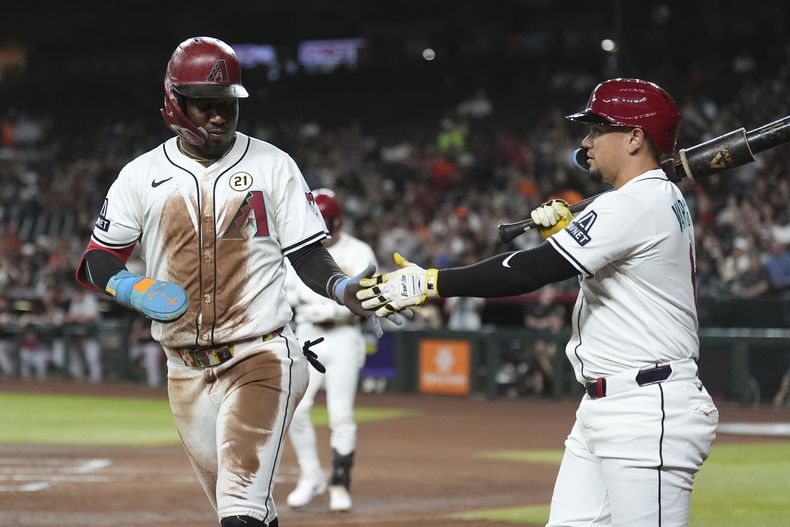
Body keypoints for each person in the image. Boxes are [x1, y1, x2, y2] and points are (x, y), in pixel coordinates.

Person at [358, 78, 719, 526]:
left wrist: (431, 282)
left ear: (634, 138)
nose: (585, 141)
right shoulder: (642, 200)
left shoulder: (636, 204)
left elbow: (531, 271)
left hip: (647, 406)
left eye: (596, 129)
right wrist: (566, 234)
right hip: (609, 406)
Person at [74, 36, 391, 527]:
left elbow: (308, 254)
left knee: (239, 510)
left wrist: (344, 290)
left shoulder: (273, 164)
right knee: (250, 512)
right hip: (185, 370)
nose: (220, 116)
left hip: (261, 353)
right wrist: (131, 288)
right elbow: (97, 259)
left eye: (227, 105)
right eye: (206, 106)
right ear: (174, 104)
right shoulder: (140, 175)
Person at [284, 189, 376, 512]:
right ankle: (311, 475)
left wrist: (332, 308)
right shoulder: (297, 250)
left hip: (344, 335)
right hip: (308, 334)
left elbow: (367, 298)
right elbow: (291, 295)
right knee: (296, 409)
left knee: (341, 415)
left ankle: (339, 483)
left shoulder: (359, 250)